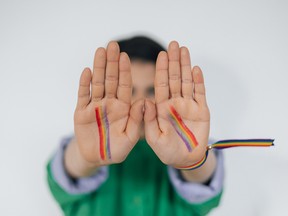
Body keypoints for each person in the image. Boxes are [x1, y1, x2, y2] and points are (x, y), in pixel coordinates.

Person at [46, 36, 224, 216]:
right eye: (129, 90)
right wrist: (86, 159)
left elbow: (204, 182)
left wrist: (192, 162)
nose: (141, 103)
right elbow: (66, 174)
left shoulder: (183, 144)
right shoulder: (90, 144)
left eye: (152, 90)